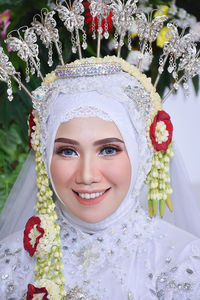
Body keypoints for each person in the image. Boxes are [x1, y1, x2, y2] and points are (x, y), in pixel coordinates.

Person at [0, 2, 200, 299]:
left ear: (142, 155)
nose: (87, 175)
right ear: (43, 158)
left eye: (108, 149)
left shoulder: (181, 260)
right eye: (67, 151)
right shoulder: (11, 259)